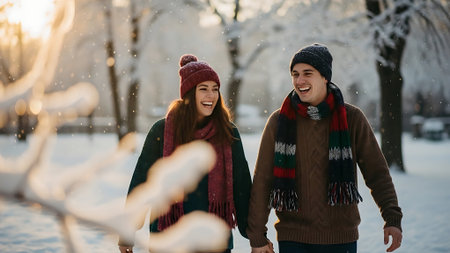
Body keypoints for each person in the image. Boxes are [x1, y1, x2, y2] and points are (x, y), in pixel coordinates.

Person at [246, 43, 403, 253]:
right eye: (295, 74)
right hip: (292, 238)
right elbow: (263, 180)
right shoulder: (279, 122)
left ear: (325, 77)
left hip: (340, 239)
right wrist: (257, 236)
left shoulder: (352, 119)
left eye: (307, 73)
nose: (299, 80)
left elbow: (377, 173)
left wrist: (392, 217)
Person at [118, 54, 252, 253]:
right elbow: (142, 181)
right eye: (203, 89)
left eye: (215, 89)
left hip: (213, 239)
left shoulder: (227, 132)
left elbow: (242, 186)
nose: (211, 96)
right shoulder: (162, 131)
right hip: (168, 239)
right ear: (189, 93)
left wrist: (256, 236)